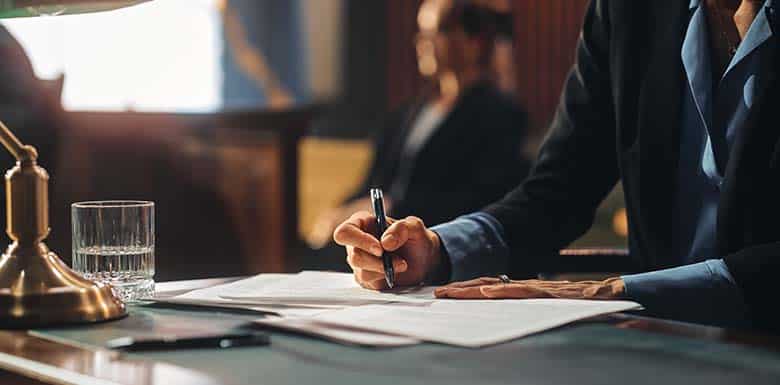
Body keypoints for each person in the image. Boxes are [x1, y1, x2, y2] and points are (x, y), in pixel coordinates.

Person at [334, 0, 780, 333]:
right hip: (657, 344)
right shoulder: (626, 11)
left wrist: (609, 293)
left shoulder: (491, 110)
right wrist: (436, 250)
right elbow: (557, 190)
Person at [305, 0, 530, 249]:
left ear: (474, 41)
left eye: (438, 32)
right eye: (422, 33)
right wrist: (341, 213)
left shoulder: (500, 114)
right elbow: (373, 182)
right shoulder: (406, 114)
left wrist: (394, 208)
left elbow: (476, 197)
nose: (423, 42)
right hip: (378, 235)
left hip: (434, 243)